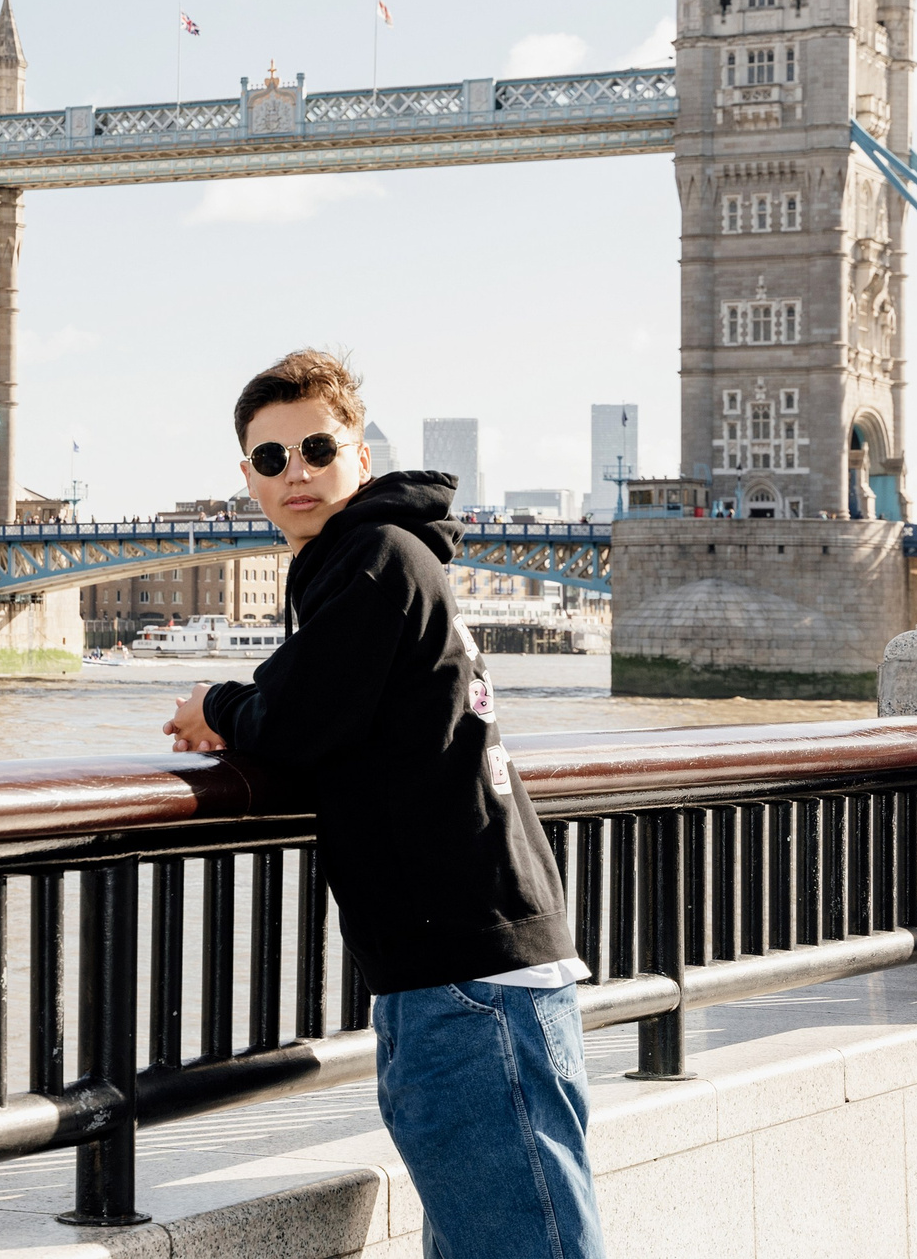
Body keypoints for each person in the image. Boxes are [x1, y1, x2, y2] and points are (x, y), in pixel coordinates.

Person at [164, 349, 603, 1258]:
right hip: (461, 968)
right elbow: (321, 700)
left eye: (317, 447)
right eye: (272, 457)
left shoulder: (372, 556)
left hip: (466, 978)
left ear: (361, 455)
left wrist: (214, 706)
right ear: (245, 475)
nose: (297, 473)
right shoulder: (375, 559)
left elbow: (292, 717)